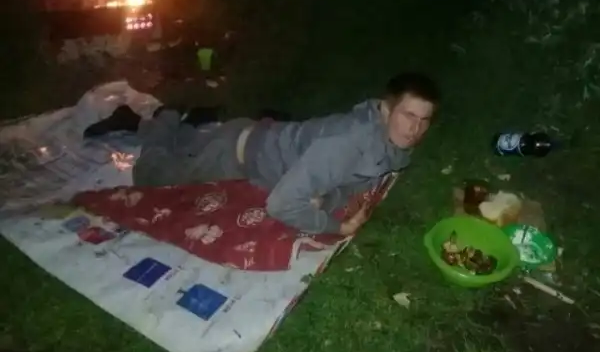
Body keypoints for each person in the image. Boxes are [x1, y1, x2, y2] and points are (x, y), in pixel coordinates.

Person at [84, 72, 440, 235]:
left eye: (425, 120)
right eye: (408, 116)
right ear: (385, 110)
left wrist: (328, 198)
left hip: (252, 134)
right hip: (233, 154)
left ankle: (185, 122)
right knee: (150, 174)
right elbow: (281, 205)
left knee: (187, 145)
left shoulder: (386, 139)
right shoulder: (348, 143)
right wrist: (337, 226)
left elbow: (347, 180)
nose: (416, 129)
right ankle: (164, 116)